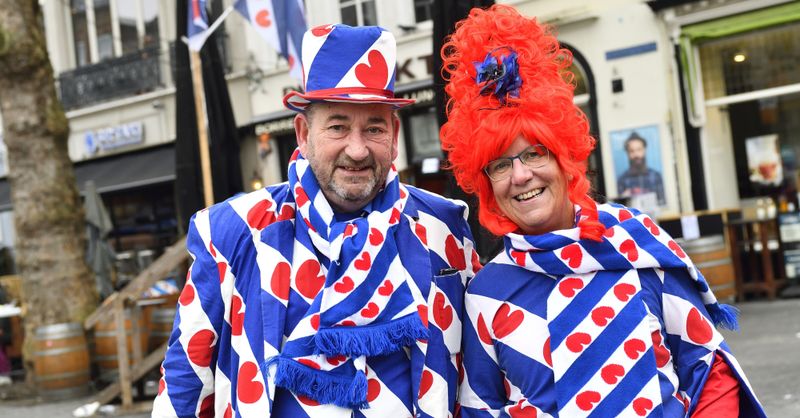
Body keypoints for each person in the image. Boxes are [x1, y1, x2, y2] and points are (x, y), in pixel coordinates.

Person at [438, 5, 765, 417]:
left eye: (534, 154)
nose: (520, 176)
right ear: (486, 183)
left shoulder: (636, 246)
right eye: (500, 164)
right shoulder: (486, 292)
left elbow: (709, 372)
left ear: (564, 158)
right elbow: (479, 409)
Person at [152, 24, 478, 418]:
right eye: (338, 126)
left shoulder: (443, 227)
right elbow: (185, 383)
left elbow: (475, 377)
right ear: (304, 134)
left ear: (394, 134)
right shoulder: (234, 230)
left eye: (373, 127)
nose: (357, 150)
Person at [618, 131, 666, 205]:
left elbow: (663, 203)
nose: (636, 154)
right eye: (632, 151)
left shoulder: (656, 176)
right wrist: (624, 199)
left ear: (644, 150)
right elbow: (621, 208)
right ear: (627, 153)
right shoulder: (622, 180)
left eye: (639, 149)